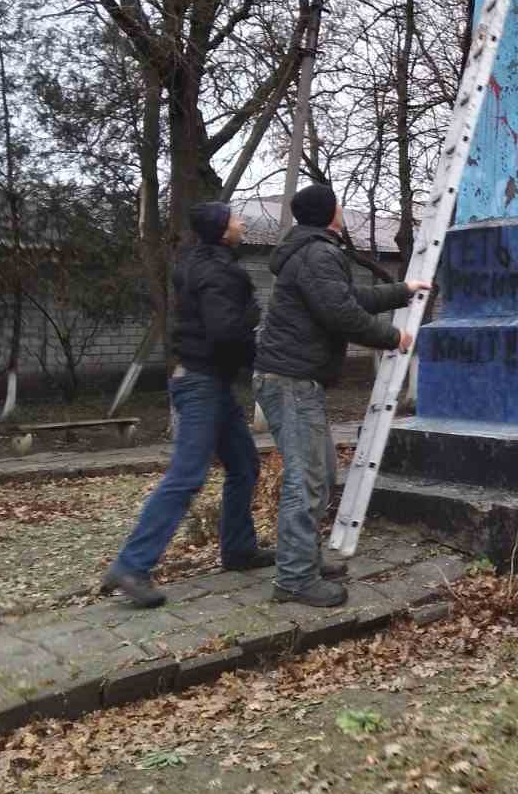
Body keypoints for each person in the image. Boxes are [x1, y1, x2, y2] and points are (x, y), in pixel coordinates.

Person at [253, 184, 430, 609]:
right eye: (339, 205)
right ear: (330, 212)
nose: (343, 211)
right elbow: (342, 314)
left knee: (320, 472)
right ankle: (294, 578)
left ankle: (304, 563)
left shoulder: (313, 251)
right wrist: (394, 337)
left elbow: (348, 298)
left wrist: (403, 290)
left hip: (294, 380)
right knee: (308, 479)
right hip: (291, 382)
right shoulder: (318, 253)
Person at [102, 202, 267, 609]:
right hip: (201, 383)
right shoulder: (216, 272)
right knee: (186, 476)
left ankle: (239, 549)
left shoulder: (205, 263)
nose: (241, 222)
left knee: (244, 464)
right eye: (234, 218)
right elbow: (225, 332)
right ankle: (131, 565)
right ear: (219, 229)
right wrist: (255, 327)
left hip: (210, 382)